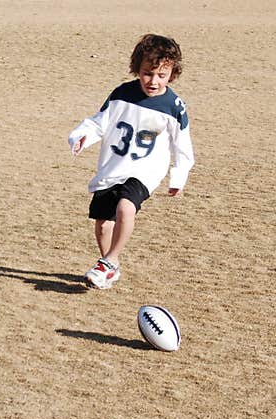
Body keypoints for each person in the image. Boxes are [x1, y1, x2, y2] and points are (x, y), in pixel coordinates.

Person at [68, 34, 195, 289]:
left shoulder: (174, 107)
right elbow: (98, 122)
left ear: (173, 73)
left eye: (162, 75)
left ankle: (111, 261)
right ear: (137, 69)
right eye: (148, 73)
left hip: (145, 172)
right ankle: (108, 266)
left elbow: (182, 146)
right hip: (113, 167)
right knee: (103, 224)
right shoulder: (121, 94)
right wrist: (82, 136)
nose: (154, 81)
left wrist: (178, 176)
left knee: (126, 208)